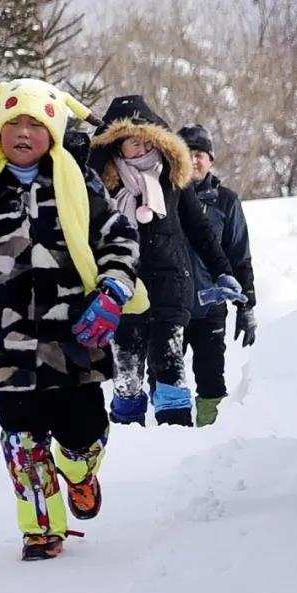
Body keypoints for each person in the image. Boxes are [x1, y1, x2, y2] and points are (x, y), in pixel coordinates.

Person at [0, 78, 144, 562]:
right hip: (8, 344)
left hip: (76, 338)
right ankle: (41, 529)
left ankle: (80, 473)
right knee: (22, 444)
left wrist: (113, 289)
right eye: (13, 123)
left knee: (84, 437)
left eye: (35, 124)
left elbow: (118, 237)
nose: (23, 133)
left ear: (53, 132)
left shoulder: (77, 182)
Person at [89, 96, 244, 427]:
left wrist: (222, 271)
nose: (143, 146)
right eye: (133, 141)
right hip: (125, 288)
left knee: (170, 363)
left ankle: (177, 433)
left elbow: (200, 230)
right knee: (127, 373)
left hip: (170, 284)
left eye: (148, 139)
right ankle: (129, 434)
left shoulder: (172, 175)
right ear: (117, 143)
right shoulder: (100, 181)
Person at [178, 123, 257, 426]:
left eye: (200, 154)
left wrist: (246, 306)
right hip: (169, 308)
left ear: (210, 159)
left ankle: (209, 437)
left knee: (211, 381)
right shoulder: (163, 196)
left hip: (210, 308)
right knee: (164, 379)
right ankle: (167, 438)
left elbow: (239, 255)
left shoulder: (226, 201)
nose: (193, 160)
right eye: (187, 153)